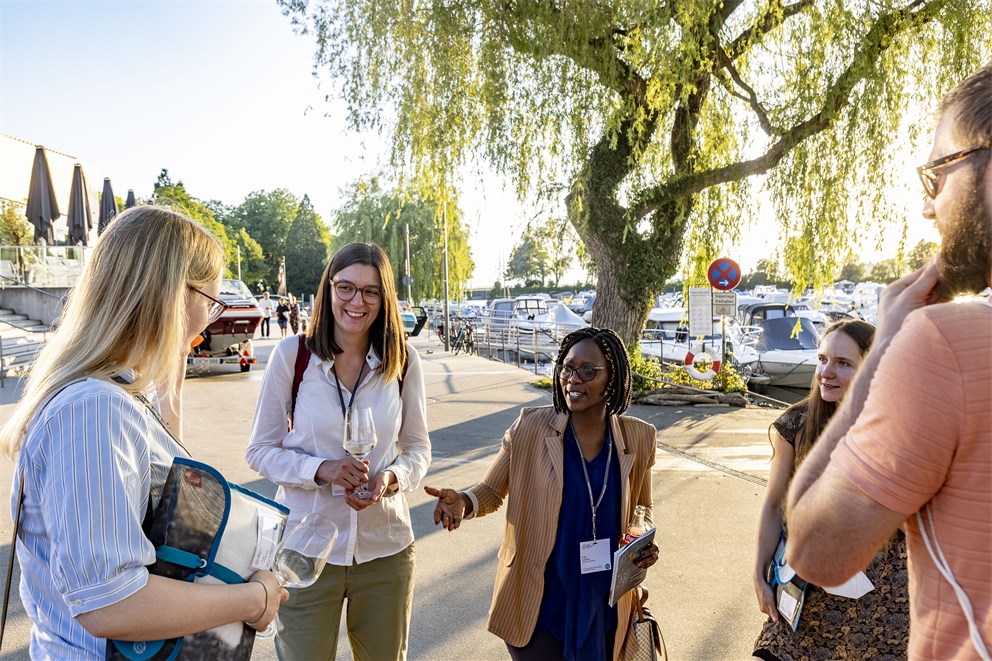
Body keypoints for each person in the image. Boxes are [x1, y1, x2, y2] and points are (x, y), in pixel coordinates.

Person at [0, 206, 287, 659]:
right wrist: (256, 599)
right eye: (209, 305)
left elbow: (167, 474)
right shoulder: (93, 411)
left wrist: (167, 357)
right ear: (171, 296)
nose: (207, 324)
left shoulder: (107, 398)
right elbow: (113, 604)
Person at [787, 62, 992, 661]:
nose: (929, 209)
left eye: (936, 175)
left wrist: (885, 351)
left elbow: (815, 549)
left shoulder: (945, 344)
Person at [425, 327, 660, 661]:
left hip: (605, 607)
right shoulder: (531, 428)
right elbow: (492, 490)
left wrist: (643, 542)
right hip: (539, 606)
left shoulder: (639, 438)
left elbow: (642, 508)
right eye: (567, 368)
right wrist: (464, 502)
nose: (573, 379)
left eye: (587, 371)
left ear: (613, 378)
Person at [246, 242, 431, 661]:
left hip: (385, 547)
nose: (356, 301)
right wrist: (321, 469)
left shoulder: (403, 360)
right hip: (304, 552)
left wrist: (390, 480)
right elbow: (260, 450)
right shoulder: (293, 356)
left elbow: (418, 449)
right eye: (346, 287)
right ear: (328, 289)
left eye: (371, 291)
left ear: (384, 298)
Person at [751, 320, 909, 661]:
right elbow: (774, 507)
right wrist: (759, 572)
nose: (827, 372)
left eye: (843, 363)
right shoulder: (795, 424)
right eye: (822, 359)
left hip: (886, 604)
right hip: (806, 596)